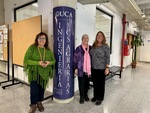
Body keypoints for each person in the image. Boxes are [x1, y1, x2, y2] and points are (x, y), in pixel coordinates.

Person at [23, 32, 55, 113]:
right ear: (37, 39)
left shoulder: (48, 50)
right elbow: (26, 60)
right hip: (34, 73)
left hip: (45, 74)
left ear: (46, 40)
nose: (42, 40)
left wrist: (48, 63)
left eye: (43, 38)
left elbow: (53, 60)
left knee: (42, 89)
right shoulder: (32, 48)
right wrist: (38, 63)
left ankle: (39, 102)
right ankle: (33, 105)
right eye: (40, 38)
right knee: (34, 90)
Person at [90, 31, 110, 105]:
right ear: (96, 37)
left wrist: (107, 67)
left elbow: (108, 57)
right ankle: (95, 96)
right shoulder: (94, 45)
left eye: (101, 35)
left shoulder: (106, 46)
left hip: (102, 68)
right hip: (94, 68)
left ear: (103, 37)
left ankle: (100, 98)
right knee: (95, 83)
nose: (99, 37)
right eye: (98, 35)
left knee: (101, 84)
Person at [74, 34, 91, 104]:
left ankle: (86, 95)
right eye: (84, 38)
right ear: (82, 39)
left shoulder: (91, 48)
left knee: (87, 83)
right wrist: (75, 68)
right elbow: (74, 59)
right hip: (81, 69)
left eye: (87, 38)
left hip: (89, 70)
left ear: (88, 39)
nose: (85, 39)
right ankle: (81, 96)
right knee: (81, 83)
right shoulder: (78, 48)